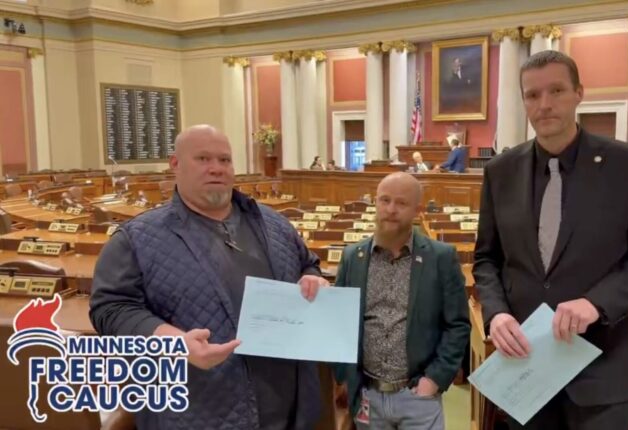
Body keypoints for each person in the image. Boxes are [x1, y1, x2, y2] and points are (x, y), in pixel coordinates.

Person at [473, 50, 628, 429]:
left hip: (601, 373)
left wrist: (596, 303)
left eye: (556, 91)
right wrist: (496, 313)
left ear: (579, 93)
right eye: (532, 95)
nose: (544, 104)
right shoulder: (501, 171)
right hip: (526, 369)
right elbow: (487, 259)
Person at [89, 125, 328, 430]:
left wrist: (313, 279)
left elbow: (308, 265)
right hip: (196, 412)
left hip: (289, 409)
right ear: (175, 164)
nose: (216, 168)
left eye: (224, 160)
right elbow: (110, 309)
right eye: (203, 159)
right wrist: (174, 342)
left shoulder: (275, 224)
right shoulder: (136, 238)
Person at [334, 172, 470, 429]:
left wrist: (434, 380)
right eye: (384, 200)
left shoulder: (440, 258)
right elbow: (339, 322)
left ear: (417, 210)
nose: (391, 209)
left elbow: (458, 325)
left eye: (401, 203)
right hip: (367, 395)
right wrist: (345, 377)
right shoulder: (353, 257)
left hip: (418, 395)